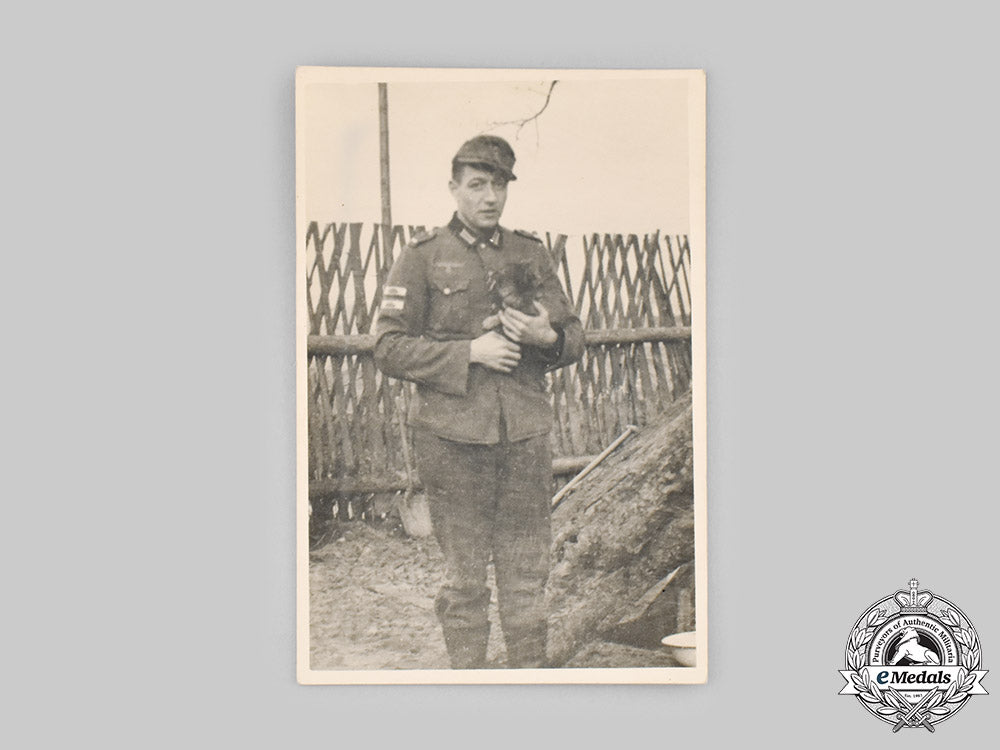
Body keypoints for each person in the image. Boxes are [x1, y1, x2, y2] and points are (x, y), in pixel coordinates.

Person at [374, 135, 584, 668]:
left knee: (525, 575)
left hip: (524, 440)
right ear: (454, 189)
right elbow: (387, 346)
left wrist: (546, 338)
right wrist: (470, 351)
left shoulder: (529, 254)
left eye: (498, 185)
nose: (489, 197)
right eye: (477, 185)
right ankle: (468, 682)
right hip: (452, 442)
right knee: (465, 579)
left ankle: (528, 681)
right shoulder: (423, 257)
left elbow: (574, 334)